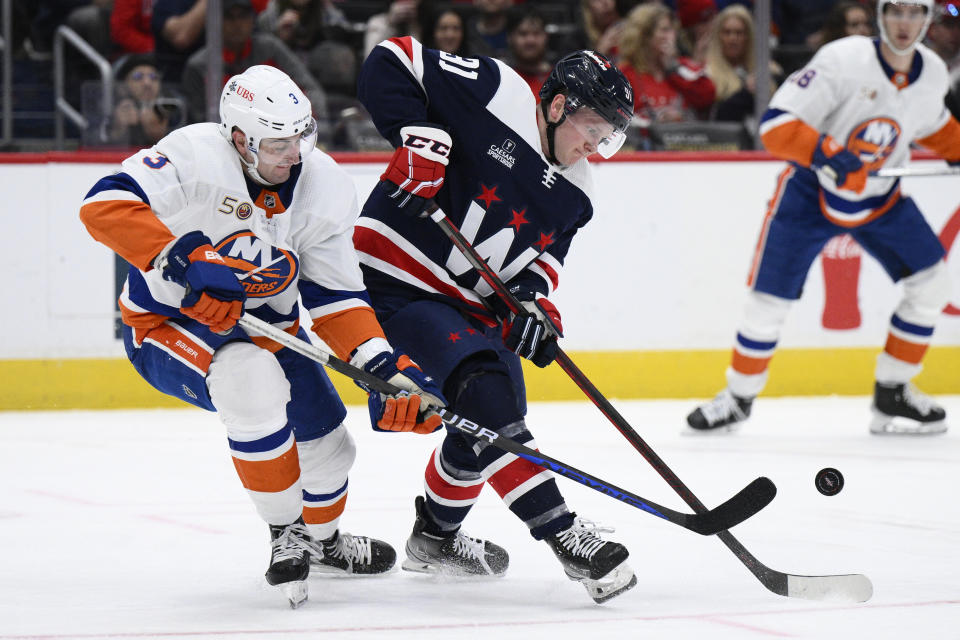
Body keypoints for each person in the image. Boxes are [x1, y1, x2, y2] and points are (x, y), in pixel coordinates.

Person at [78, 65, 446, 607]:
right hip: (169, 325)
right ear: (238, 139)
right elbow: (102, 203)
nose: (294, 154)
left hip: (274, 330)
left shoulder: (325, 186)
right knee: (250, 380)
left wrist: (385, 369)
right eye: (278, 143)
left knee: (331, 452)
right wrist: (180, 254)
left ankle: (322, 542)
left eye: (301, 136)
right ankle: (285, 533)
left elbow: (337, 297)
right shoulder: (195, 154)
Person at [354, 38, 638, 603]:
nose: (593, 143)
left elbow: (541, 267)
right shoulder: (496, 90)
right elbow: (389, 59)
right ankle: (565, 534)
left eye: (606, 135)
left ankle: (434, 539)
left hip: (468, 307)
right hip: (395, 286)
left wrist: (533, 308)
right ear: (556, 105)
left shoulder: (578, 193)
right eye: (590, 125)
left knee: (493, 416)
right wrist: (415, 135)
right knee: (486, 396)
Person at [686, 0, 960, 436]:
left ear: (928, 19)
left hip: (881, 202)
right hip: (811, 195)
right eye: (895, 11)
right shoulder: (842, 59)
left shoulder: (931, 71)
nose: (904, 23)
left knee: (932, 286)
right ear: (880, 14)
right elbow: (776, 125)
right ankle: (737, 398)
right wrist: (829, 154)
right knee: (768, 302)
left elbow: (932, 125)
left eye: (915, 13)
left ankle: (893, 390)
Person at [181, 0, 328, 124]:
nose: (237, 24)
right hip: (225, 143)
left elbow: (311, 90)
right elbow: (201, 121)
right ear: (216, 21)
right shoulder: (199, 66)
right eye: (229, 17)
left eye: (243, 16)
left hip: (281, 132)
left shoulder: (271, 49)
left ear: (253, 19)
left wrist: (311, 126)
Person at [618, 3, 716, 124]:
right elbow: (619, 117)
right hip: (645, 141)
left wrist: (673, 68)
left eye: (672, 30)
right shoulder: (625, 74)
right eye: (665, 30)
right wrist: (656, 124)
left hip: (686, 140)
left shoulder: (682, 67)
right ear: (644, 36)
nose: (671, 36)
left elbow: (707, 95)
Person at [704, 4, 782, 122]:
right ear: (718, 36)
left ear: (748, 36)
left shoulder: (770, 70)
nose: (732, 38)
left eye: (739, 33)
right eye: (727, 32)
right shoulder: (707, 74)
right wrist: (747, 92)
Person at [105, 54, 186, 148]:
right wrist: (118, 130)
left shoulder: (173, 111)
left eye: (153, 77)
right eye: (138, 77)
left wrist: (161, 137)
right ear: (122, 87)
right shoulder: (108, 109)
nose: (147, 83)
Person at [503, 5, 553, 96]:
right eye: (523, 34)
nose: (530, 40)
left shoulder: (560, 80)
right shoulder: (500, 80)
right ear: (509, 37)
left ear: (546, 36)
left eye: (536, 33)